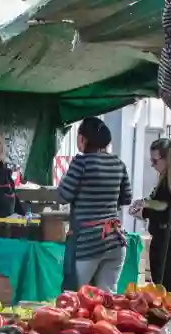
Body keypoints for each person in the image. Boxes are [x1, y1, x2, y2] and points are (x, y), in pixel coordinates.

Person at [57, 117, 132, 292]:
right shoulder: (118, 164)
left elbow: (63, 196)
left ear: (83, 139)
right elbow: (126, 199)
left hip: (88, 243)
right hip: (114, 240)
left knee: (74, 299)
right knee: (106, 300)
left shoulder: (81, 163)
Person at [132, 138, 171, 292]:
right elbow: (162, 204)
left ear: (167, 159)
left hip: (168, 241)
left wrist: (143, 212)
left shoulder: (170, 184)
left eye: (155, 160)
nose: (152, 165)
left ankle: (168, 313)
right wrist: (146, 203)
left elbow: (167, 213)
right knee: (165, 284)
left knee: (163, 287)